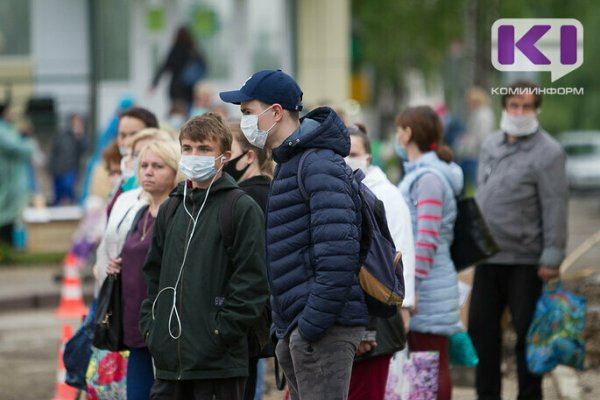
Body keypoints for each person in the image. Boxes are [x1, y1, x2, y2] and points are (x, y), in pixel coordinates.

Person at [219, 69, 368, 400]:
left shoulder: (316, 164)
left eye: (247, 111)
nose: (243, 120)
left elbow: (339, 254)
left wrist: (309, 327)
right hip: (299, 328)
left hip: (320, 330)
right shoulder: (292, 162)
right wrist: (286, 330)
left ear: (275, 112)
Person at [139, 113, 268, 400]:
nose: (194, 155)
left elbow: (253, 282)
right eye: (187, 148)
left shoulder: (241, 208)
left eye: (204, 149)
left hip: (219, 367)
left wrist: (220, 332)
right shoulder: (173, 207)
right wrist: (153, 328)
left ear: (223, 156)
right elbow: (153, 275)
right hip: (170, 365)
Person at [469, 80, 568, 400]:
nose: (519, 112)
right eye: (514, 105)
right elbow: (483, 193)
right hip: (488, 257)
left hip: (526, 260)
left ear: (536, 110)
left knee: (528, 337)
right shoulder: (490, 145)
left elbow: (555, 205)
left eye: (526, 107)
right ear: (505, 108)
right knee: (482, 335)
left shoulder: (549, 152)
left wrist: (552, 256)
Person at [396, 105, 464, 400]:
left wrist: (414, 289)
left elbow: (426, 239)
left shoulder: (429, 180)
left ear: (408, 133)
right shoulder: (422, 175)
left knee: (430, 367)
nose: (397, 134)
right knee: (425, 368)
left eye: (399, 128)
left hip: (428, 290)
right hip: (428, 286)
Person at [105, 140, 182, 400]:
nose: (148, 171)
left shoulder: (180, 212)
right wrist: (119, 264)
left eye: (158, 166)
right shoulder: (140, 213)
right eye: (144, 165)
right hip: (135, 324)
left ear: (174, 171)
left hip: (167, 327)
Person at [345, 123, 416, 400]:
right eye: (343, 153)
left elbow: (392, 261)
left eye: (353, 153)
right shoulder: (347, 190)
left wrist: (370, 327)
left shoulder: (384, 196)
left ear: (367, 158)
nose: (347, 159)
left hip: (376, 315)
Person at [224, 121, 274, 400]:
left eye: (227, 151)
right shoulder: (267, 191)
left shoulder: (247, 198)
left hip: (242, 317)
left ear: (250, 156)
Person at [106, 107, 160, 216]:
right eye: (122, 135)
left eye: (134, 134)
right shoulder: (118, 167)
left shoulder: (156, 176)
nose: (127, 141)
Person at [0, 101, 33, 246]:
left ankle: (9, 246)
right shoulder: (2, 130)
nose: (11, 114)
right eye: (8, 111)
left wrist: (22, 135)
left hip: (13, 178)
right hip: (7, 178)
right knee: (5, 212)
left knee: (13, 214)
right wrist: (28, 142)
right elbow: (17, 147)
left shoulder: (8, 129)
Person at [151, 26, 207, 110]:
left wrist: (154, 84)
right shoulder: (192, 51)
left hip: (176, 86)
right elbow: (203, 67)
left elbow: (164, 67)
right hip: (189, 87)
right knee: (188, 110)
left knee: (177, 110)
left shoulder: (174, 51)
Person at [456, 87, 495, 194]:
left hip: (477, 154)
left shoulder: (483, 115)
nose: (469, 105)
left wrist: (468, 145)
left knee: (477, 183)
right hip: (472, 153)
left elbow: (482, 136)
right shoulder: (478, 113)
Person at [48, 113, 87, 205]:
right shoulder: (62, 134)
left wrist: (79, 136)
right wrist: (50, 168)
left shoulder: (80, 136)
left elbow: (83, 149)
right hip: (58, 169)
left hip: (71, 169)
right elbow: (54, 151)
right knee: (57, 195)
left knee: (69, 189)